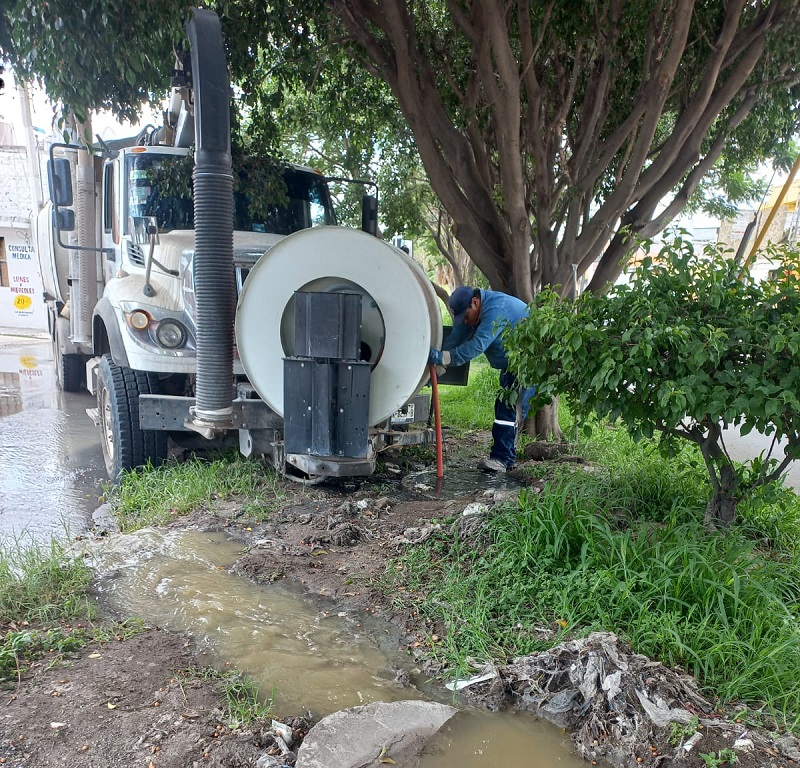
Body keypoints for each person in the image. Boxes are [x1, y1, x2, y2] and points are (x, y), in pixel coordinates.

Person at [429, 286, 535, 472]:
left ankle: (502, 460)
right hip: (511, 363)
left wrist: (443, 358)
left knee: (509, 409)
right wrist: (435, 367)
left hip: (527, 363)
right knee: (505, 407)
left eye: (466, 316)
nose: (467, 322)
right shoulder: (475, 310)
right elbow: (458, 336)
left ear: (475, 302)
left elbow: (477, 345)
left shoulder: (496, 310)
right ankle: (506, 459)